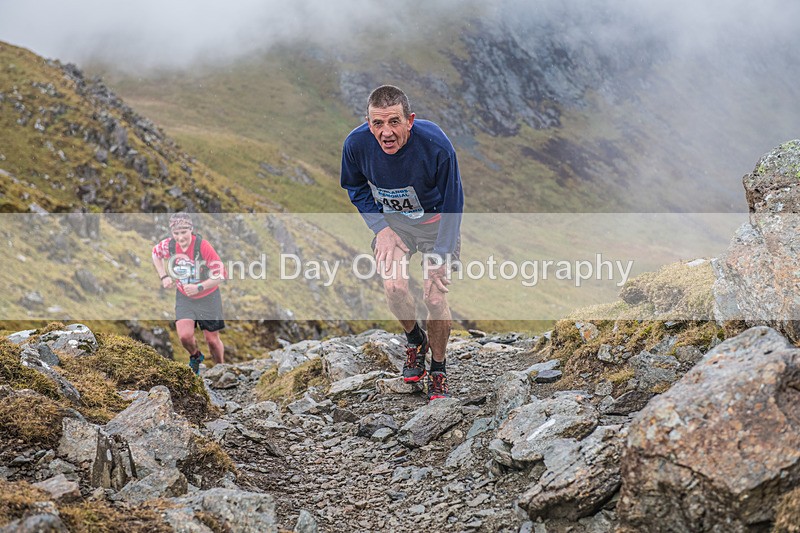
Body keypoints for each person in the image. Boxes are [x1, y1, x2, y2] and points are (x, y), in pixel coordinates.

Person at [341, 85, 464, 401]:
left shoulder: (435, 145)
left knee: (435, 298)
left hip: (436, 225)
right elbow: (354, 187)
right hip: (395, 227)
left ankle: (438, 368)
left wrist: (442, 253)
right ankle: (415, 339)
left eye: (394, 122)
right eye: (377, 124)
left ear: (410, 120)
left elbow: (454, 200)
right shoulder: (356, 145)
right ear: (368, 123)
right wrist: (380, 227)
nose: (386, 133)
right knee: (394, 287)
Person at [152, 212, 227, 374]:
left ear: (191, 230)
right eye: (176, 233)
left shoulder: (202, 246)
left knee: (212, 340)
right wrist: (164, 276)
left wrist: (199, 287)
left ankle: (221, 368)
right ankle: (196, 356)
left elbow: (221, 274)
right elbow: (155, 254)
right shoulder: (169, 245)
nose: (180, 237)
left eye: (184, 232)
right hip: (184, 297)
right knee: (185, 336)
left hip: (208, 296)